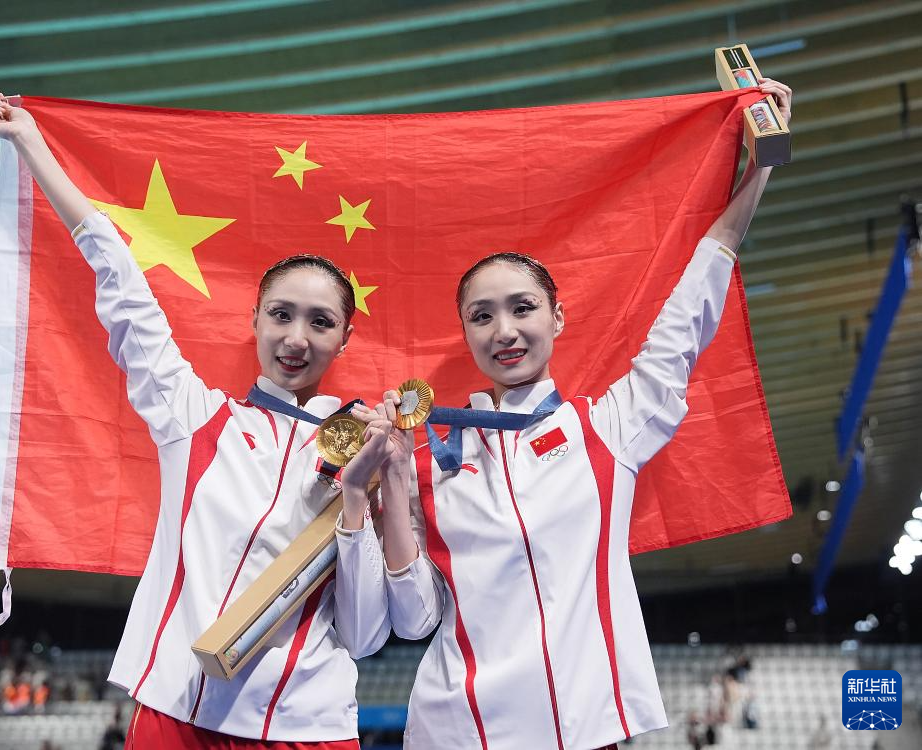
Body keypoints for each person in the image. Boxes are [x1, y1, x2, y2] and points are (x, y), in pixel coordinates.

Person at [336, 80, 793, 750]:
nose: (504, 330)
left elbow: (687, 316)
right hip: (460, 732)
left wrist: (760, 171)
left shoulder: (607, 429)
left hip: (585, 730)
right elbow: (412, 621)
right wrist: (396, 480)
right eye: (482, 316)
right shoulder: (434, 456)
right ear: (466, 334)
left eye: (522, 308)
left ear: (557, 317)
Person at [0, 93, 395, 749]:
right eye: (281, 314)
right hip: (176, 715)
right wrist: (31, 142)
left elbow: (367, 631)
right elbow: (122, 283)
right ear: (254, 321)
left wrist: (358, 493)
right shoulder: (194, 416)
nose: (296, 337)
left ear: (345, 338)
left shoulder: (367, 449)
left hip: (308, 728)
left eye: (320, 322)